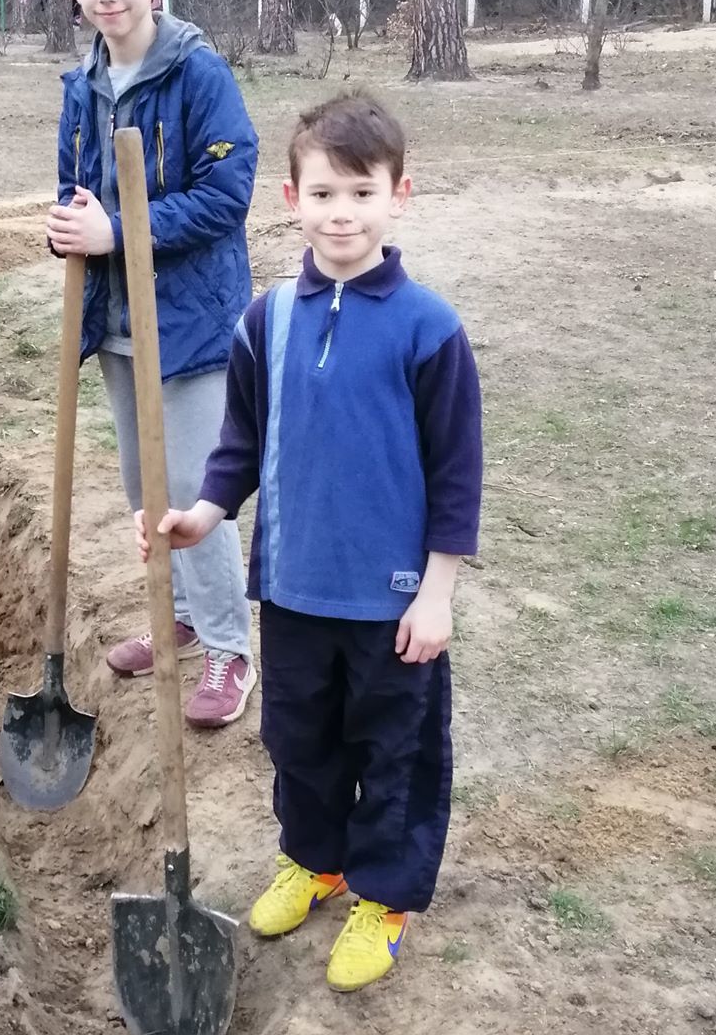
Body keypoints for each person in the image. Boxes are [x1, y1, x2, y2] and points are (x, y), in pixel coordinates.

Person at [139, 94, 482, 989]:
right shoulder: (267, 320)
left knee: (394, 750)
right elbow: (241, 443)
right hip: (292, 589)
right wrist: (204, 515)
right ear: (291, 199)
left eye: (362, 194)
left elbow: (456, 476)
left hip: (390, 603)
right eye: (323, 193)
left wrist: (436, 593)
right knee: (299, 739)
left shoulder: (429, 329)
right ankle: (315, 860)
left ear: (399, 195)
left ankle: (383, 897)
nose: (342, 214)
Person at [46, 0, 259, 728]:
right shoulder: (84, 85)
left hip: (191, 323)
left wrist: (122, 228)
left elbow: (228, 194)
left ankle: (230, 649)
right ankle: (182, 616)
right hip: (117, 322)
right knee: (144, 485)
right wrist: (70, 228)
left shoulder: (198, 74)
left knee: (193, 487)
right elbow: (76, 189)